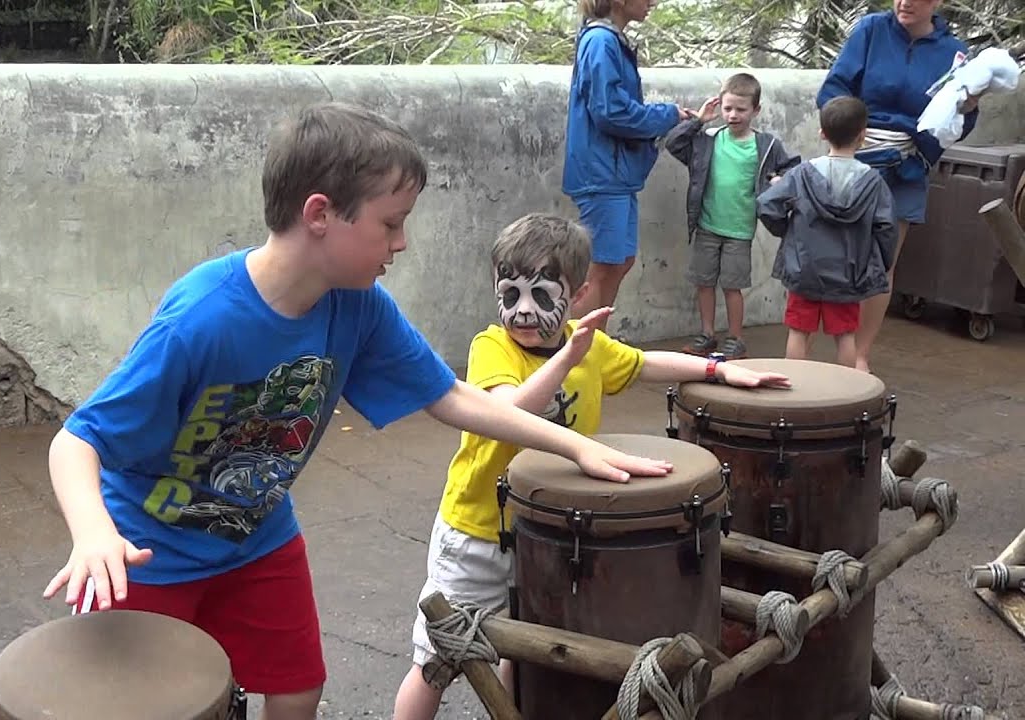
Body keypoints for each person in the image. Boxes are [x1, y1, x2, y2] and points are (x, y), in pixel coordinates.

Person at [39, 102, 677, 720]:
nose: (402, 243)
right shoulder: (202, 319)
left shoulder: (358, 305)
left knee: (296, 691)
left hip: (258, 541)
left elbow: (451, 397)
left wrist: (575, 446)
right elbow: (77, 441)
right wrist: (94, 533)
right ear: (321, 214)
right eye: (390, 223)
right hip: (148, 549)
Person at [390, 213, 792, 720]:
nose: (523, 311)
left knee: (523, 649)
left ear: (577, 295)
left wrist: (719, 369)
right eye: (509, 294)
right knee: (438, 656)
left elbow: (647, 364)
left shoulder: (588, 342)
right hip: (475, 534)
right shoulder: (492, 346)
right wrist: (567, 358)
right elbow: (507, 411)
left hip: (544, 531)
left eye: (541, 296)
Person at [816, 0, 980, 372]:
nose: (904, 2)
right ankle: (822, 346)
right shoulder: (871, 30)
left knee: (881, 263)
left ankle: (859, 355)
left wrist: (967, 108)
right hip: (854, 156)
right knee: (839, 255)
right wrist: (850, 136)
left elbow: (956, 126)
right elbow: (833, 90)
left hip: (906, 165)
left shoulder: (954, 53)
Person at [562, 0, 693, 335]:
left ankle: (595, 346)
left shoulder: (608, 40)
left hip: (614, 174)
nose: (653, 3)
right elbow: (610, 111)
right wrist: (665, 115)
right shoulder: (601, 41)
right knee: (602, 268)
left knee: (619, 262)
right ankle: (570, 350)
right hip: (601, 173)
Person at [664, 72, 801, 360]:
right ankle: (707, 334)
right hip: (706, 226)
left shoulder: (766, 145)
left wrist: (779, 180)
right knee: (704, 282)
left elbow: (792, 170)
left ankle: (736, 338)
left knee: (732, 285)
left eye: (741, 109)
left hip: (739, 230)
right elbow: (674, 143)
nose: (733, 115)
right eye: (728, 108)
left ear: (756, 110)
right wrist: (699, 120)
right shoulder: (709, 140)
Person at [756, 96, 899, 367]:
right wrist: (879, 261)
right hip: (849, 273)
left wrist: (787, 233)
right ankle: (844, 391)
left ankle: (794, 383)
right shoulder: (873, 181)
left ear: (822, 133)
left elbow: (767, 205)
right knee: (845, 336)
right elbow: (887, 228)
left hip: (804, 269)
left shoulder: (802, 174)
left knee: (799, 331)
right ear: (863, 135)